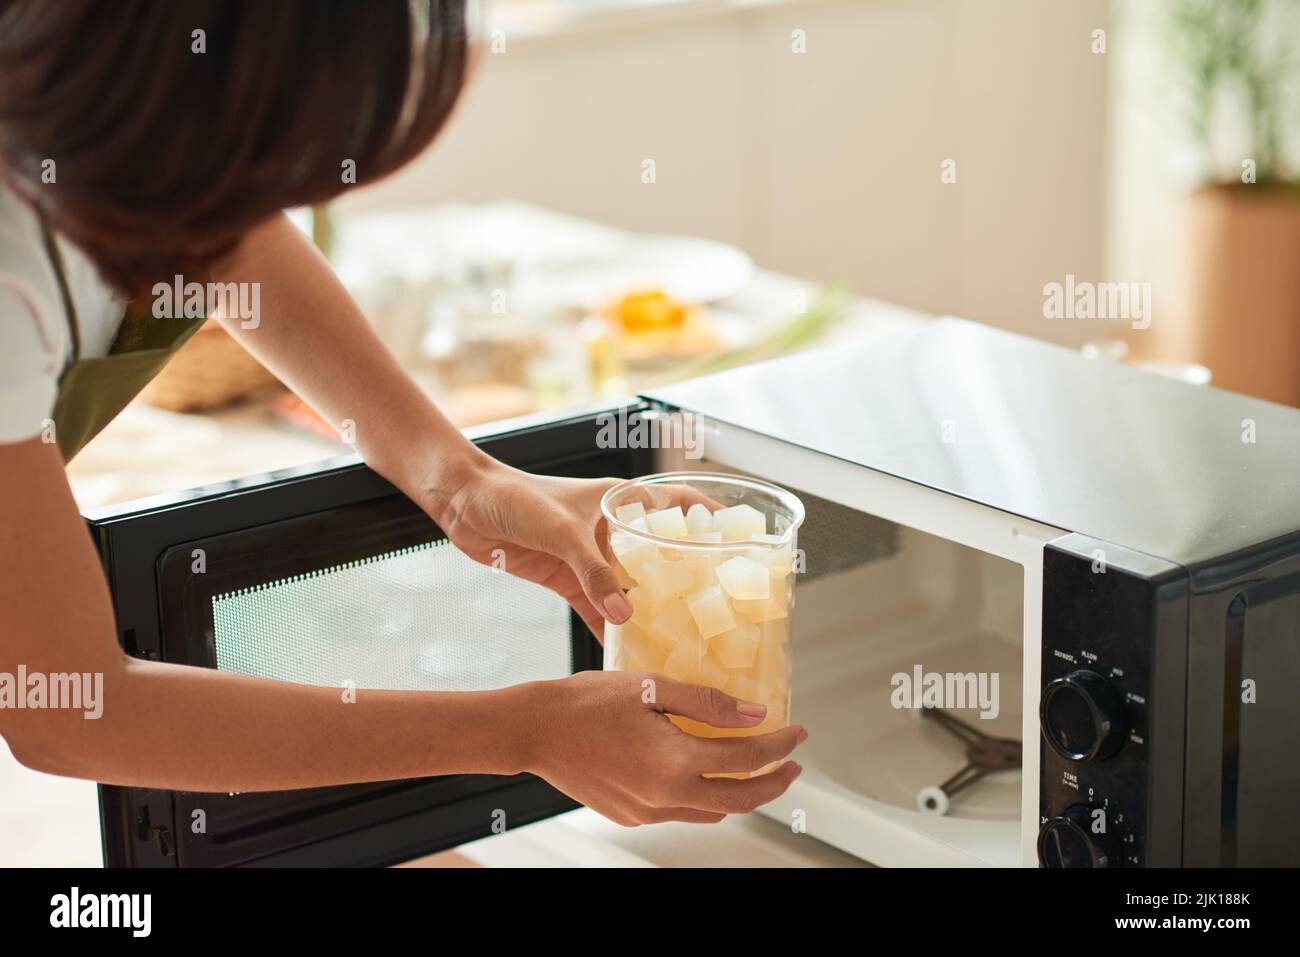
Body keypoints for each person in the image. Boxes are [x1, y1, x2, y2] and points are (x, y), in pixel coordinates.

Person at [0, 0, 803, 831]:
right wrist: (524, 730)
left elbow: (222, 225)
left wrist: (459, 477)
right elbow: (73, 709)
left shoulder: (135, 113)